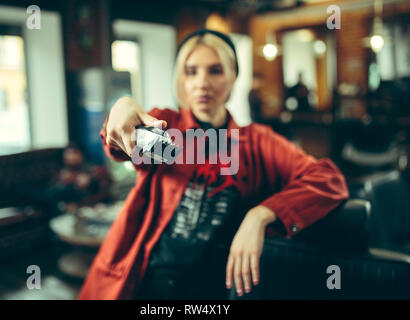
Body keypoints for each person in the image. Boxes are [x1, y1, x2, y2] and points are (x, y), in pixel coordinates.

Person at [77, 29, 349, 300]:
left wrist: (262, 214)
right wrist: (121, 108)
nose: (202, 83)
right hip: (146, 282)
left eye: (215, 70)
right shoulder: (165, 126)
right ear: (181, 79)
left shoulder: (257, 143)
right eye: (191, 71)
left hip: (216, 288)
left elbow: (329, 179)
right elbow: (119, 144)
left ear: (234, 76)